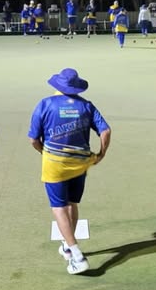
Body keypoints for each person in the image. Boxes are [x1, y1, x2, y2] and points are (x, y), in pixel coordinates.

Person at [28, 69, 111, 275]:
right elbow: (106, 130)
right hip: (80, 164)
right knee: (73, 203)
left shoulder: (45, 104)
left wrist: (44, 152)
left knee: (59, 208)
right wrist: (100, 154)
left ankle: (77, 255)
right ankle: (67, 245)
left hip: (54, 165)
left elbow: (33, 139)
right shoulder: (86, 105)